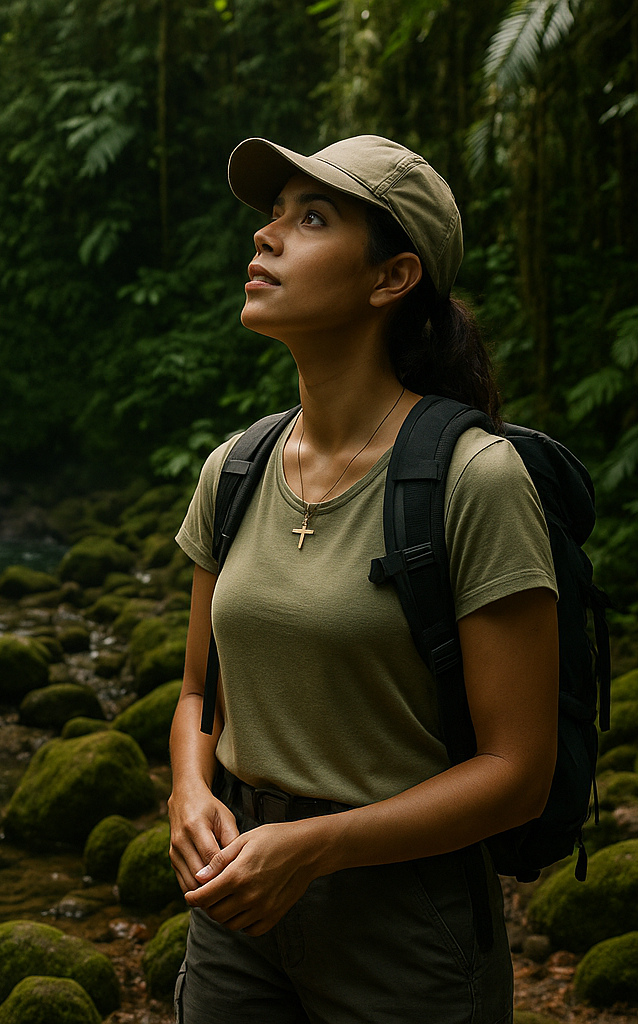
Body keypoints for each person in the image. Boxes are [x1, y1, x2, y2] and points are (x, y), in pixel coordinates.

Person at [167, 135, 561, 1024]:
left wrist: (313, 849)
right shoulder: (234, 468)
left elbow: (517, 772)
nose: (266, 238)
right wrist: (190, 792)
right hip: (234, 904)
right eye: (271, 217)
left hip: (403, 918)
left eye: (311, 218)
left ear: (393, 278)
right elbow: (198, 693)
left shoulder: (476, 480)